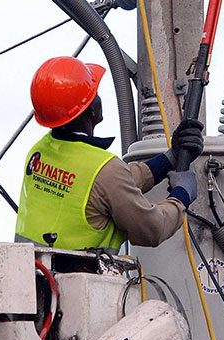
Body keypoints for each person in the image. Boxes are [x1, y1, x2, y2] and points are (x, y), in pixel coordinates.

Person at [15, 56, 204, 251]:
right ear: (90, 110)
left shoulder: (40, 151)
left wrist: (170, 157)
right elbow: (152, 229)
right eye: (94, 94)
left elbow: (108, 185)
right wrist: (181, 194)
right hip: (81, 270)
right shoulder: (105, 171)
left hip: (29, 268)